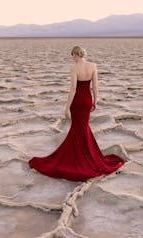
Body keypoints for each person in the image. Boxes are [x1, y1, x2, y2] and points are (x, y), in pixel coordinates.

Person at [28, 45, 125, 181]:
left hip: (77, 100)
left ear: (76, 54)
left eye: (72, 55)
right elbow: (95, 87)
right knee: (83, 127)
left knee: (77, 128)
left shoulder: (74, 68)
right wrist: (95, 101)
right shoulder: (93, 66)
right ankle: (86, 155)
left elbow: (73, 89)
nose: (72, 58)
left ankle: (78, 157)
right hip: (86, 100)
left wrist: (67, 107)